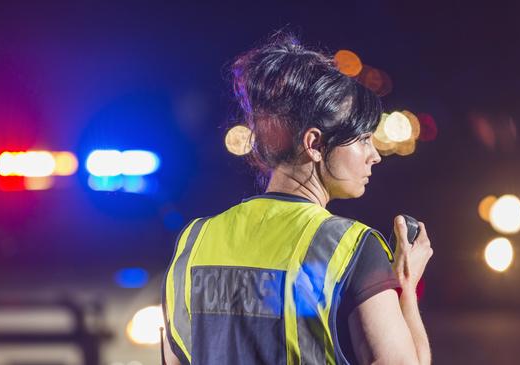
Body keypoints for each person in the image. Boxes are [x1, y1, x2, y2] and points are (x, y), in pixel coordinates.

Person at [161, 32, 433, 365]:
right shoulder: (351, 248)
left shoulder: (194, 242)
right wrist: (405, 288)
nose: (374, 155)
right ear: (315, 144)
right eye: (361, 139)